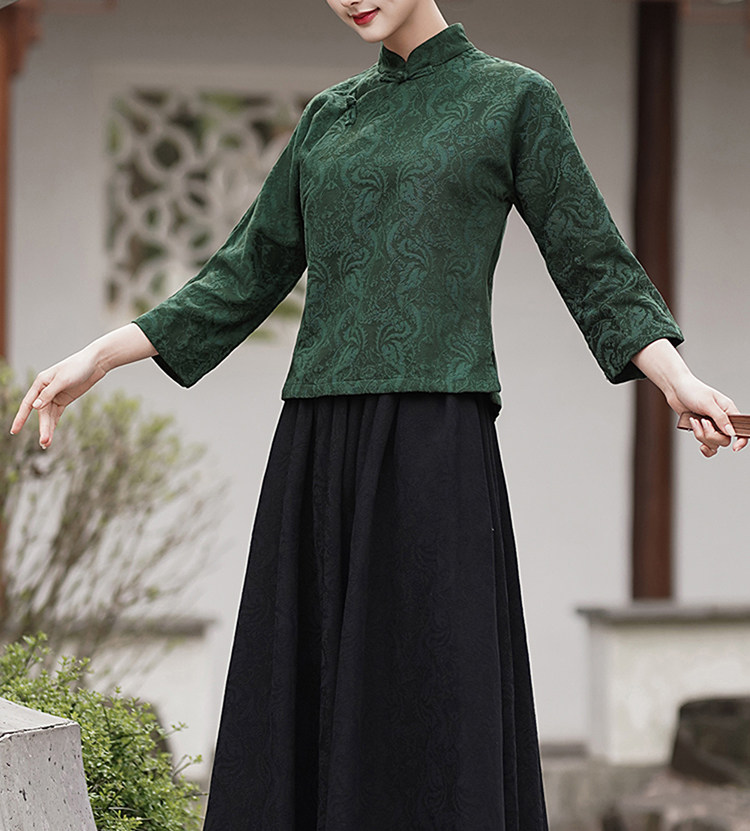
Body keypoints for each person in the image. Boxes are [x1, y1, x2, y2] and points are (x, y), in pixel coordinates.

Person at [10, 0, 746, 828]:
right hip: (315, 453)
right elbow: (244, 270)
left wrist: (675, 376)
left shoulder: (513, 100)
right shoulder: (328, 117)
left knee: (429, 702)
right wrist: (103, 354)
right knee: (306, 706)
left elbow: (592, 260)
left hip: (435, 450)